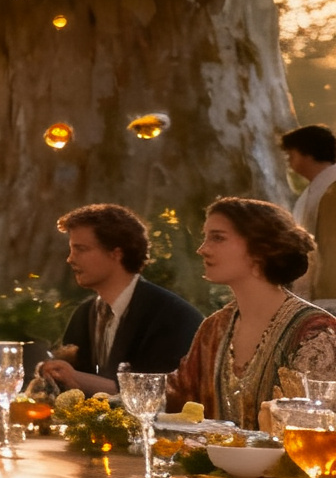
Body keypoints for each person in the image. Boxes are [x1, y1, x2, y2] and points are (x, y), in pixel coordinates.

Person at [166, 197, 336, 429]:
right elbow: (175, 400)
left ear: (260, 249)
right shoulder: (214, 329)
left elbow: (322, 428)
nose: (202, 249)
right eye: (206, 238)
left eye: (218, 238)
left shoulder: (315, 333)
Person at [36, 204, 203, 394]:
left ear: (116, 253)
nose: (70, 259)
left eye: (81, 249)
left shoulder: (173, 317)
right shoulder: (84, 315)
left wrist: (78, 378)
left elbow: (163, 394)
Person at [284, 126, 336, 301]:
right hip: (316, 282)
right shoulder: (309, 192)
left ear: (307, 151)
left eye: (291, 154)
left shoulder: (333, 186)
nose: (288, 160)